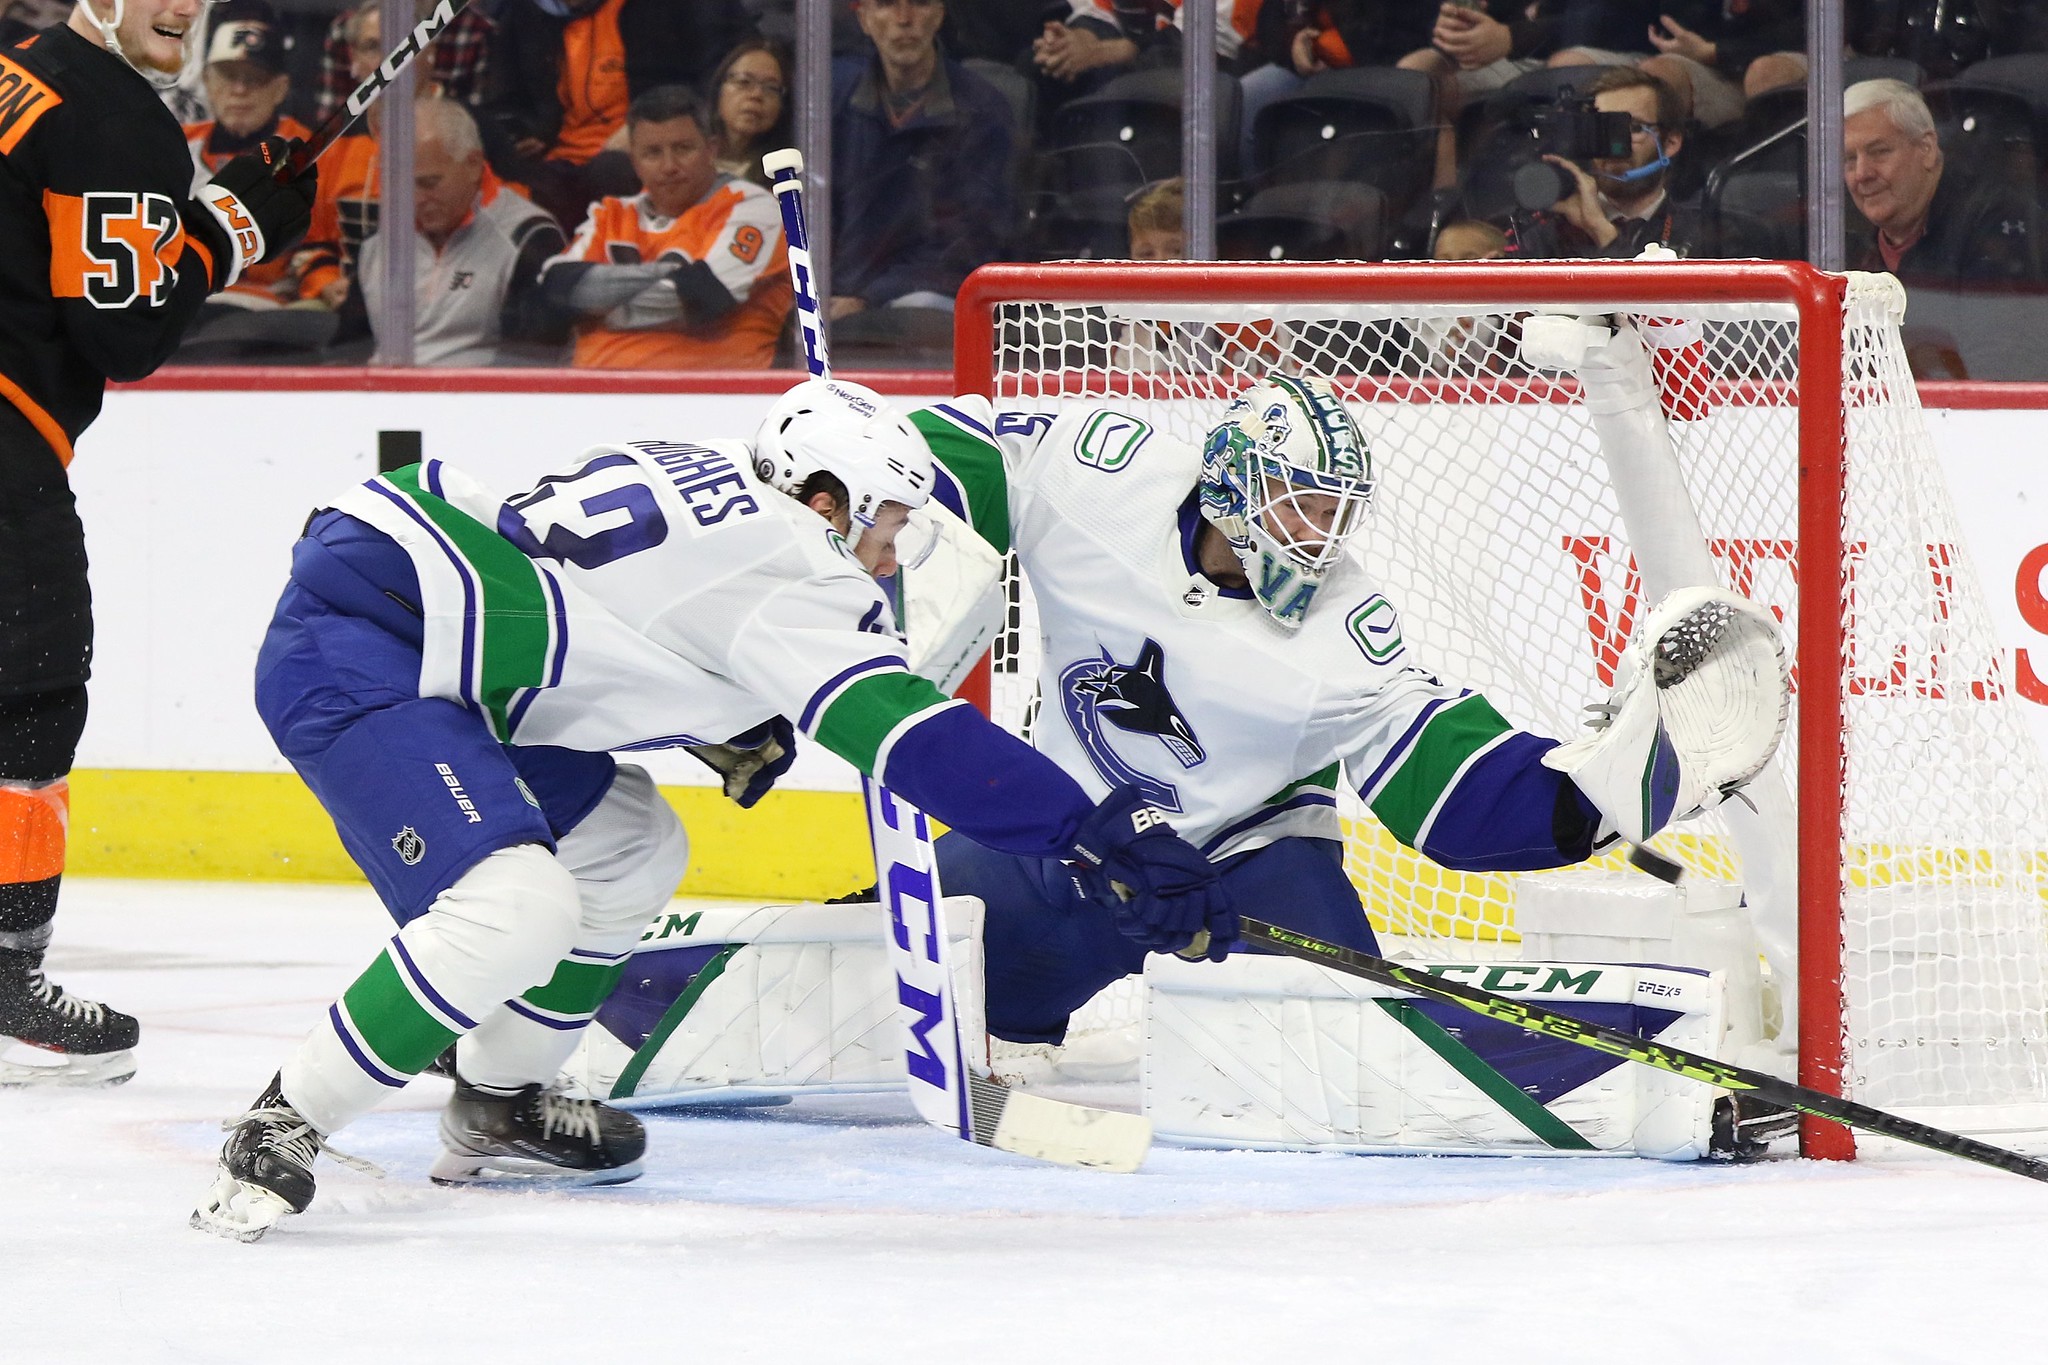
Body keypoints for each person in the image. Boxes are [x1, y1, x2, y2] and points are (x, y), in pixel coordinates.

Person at [189, 376, 1231, 1240]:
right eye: (887, 521)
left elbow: (612, 607)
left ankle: (498, 1102)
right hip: (372, 652)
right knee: (518, 907)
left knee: (629, 844)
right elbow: (909, 737)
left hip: (443, 642)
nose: (892, 551)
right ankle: (285, 1119)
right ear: (826, 499)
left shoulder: (719, 470)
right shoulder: (791, 567)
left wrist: (719, 703)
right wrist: (1095, 829)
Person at [898, 356, 1781, 1057]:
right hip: (1070, 845)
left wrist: (1596, 798)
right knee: (855, 986)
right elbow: (947, 451)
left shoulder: (1345, 631)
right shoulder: (1101, 478)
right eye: (1302, 507)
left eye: (1336, 516)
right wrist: (858, 528)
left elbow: (1447, 782)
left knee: (1352, 1062)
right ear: (1235, 484)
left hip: (1244, 874)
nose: (1319, 539)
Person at [0, 0, 315, 1084]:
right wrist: (233, 227)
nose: (182, 6)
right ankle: (5, 988)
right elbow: (122, 332)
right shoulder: (116, 119)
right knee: (31, 691)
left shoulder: (13, 68)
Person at [538, 85, 790, 369]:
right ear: (634, 161)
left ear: (711, 149)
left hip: (710, 399)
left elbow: (707, 297)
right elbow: (555, 290)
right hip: (592, 396)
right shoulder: (611, 214)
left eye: (683, 149)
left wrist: (595, 306)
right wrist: (670, 274)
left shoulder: (753, 207)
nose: (669, 166)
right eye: (653, 153)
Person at [475, 0, 755, 231]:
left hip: (637, 153)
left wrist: (643, 126)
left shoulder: (668, 9)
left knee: (610, 174)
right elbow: (506, 100)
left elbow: (725, 65)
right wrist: (524, 130)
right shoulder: (527, 14)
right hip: (557, 158)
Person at [829, 0, 1014, 322]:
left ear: (940, 14)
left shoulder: (981, 109)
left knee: (921, 313)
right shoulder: (833, 100)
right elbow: (813, 214)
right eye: (887, 5)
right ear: (864, 19)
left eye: (919, 3)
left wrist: (867, 298)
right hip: (837, 295)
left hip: (928, 293)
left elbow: (967, 243)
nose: (904, 19)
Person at [357, 99, 567, 366]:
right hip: (381, 398)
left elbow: (535, 363)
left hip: (479, 401)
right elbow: (350, 348)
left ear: (473, 164)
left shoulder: (529, 237)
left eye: (428, 183)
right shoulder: (377, 242)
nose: (414, 199)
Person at [180, 0, 315, 312]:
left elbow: (321, 249)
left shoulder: (312, 150)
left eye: (254, 78)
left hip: (274, 313)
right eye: (228, 76)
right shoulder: (174, 146)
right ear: (208, 82)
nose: (239, 90)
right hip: (184, 309)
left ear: (280, 88)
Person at [1843, 78, 2039, 288]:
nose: (1862, 174)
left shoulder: (1991, 218)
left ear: (1926, 149)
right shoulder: (1840, 239)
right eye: (1849, 159)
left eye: (1879, 152)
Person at [1508, 67, 1708, 258]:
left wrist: (1600, 229)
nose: (1614, 142)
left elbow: (1648, 292)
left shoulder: (1704, 231)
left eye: (1635, 127)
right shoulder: (1544, 232)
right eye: (1601, 128)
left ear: (1671, 142)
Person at [706, 37, 792, 190]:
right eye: (744, 82)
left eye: (771, 88)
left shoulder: (787, 178)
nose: (756, 95)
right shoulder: (690, 163)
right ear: (719, 90)